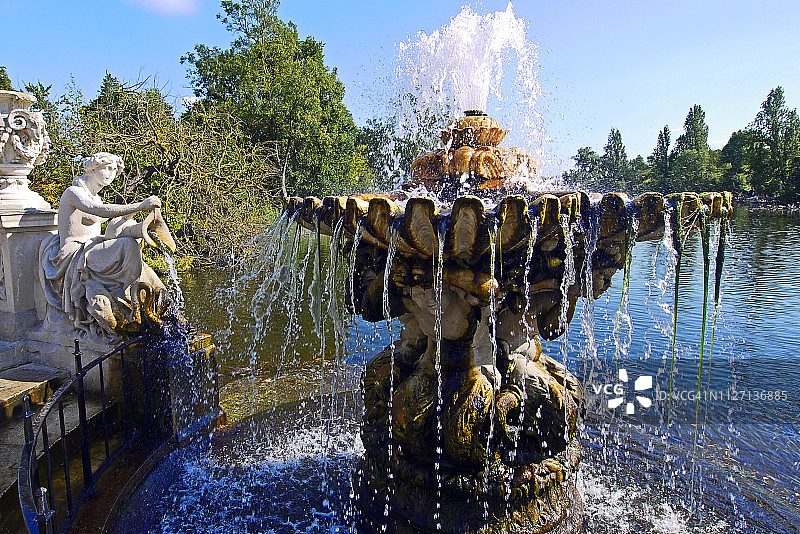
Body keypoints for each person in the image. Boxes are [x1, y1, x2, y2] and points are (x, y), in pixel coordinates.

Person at [38, 152, 169, 342]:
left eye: (115, 170)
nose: (112, 174)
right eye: (107, 168)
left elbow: (110, 230)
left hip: (93, 247)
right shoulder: (73, 193)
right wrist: (139, 206)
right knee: (126, 246)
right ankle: (127, 294)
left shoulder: (96, 197)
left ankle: (147, 299)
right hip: (75, 251)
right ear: (93, 168)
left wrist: (138, 225)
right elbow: (99, 211)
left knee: (131, 241)